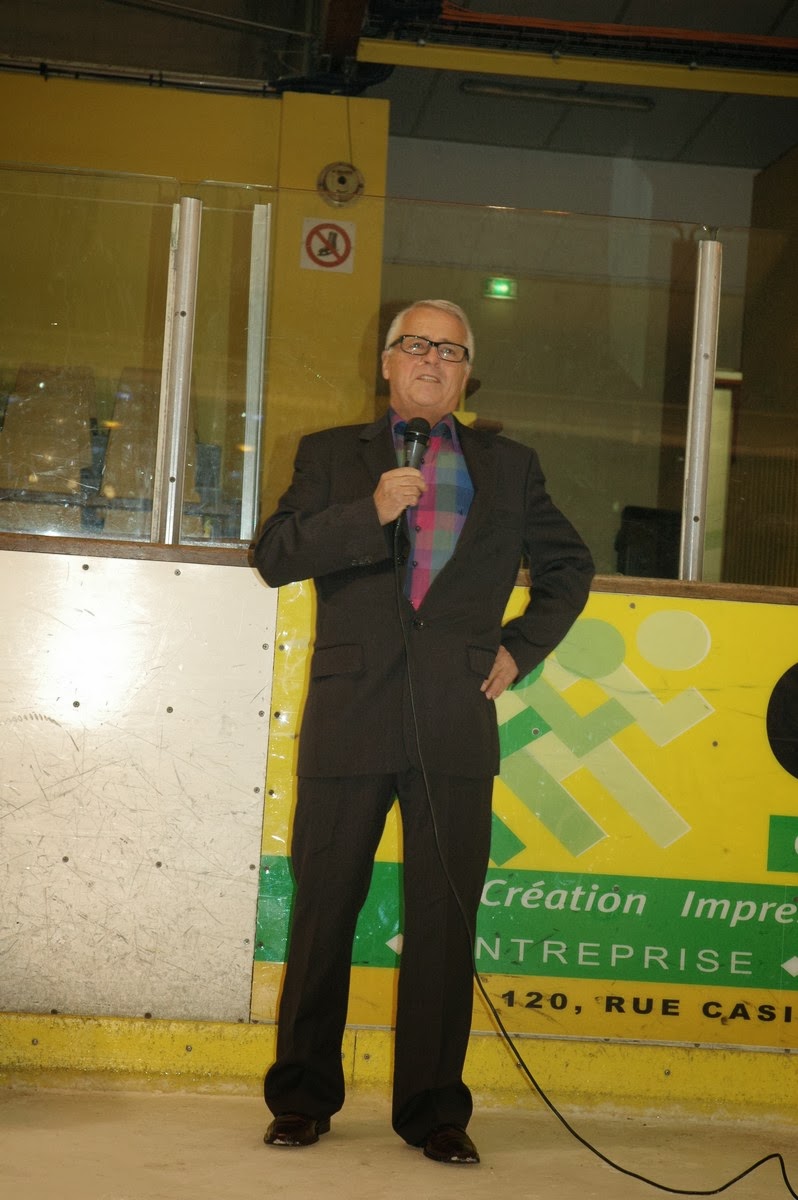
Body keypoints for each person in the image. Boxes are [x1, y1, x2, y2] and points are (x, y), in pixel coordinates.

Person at [252, 299, 594, 1164]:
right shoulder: (332, 454)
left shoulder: (512, 467)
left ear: (466, 372)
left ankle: (435, 1111)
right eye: (416, 345)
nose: (432, 360)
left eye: (451, 350)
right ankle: (301, 1098)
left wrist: (520, 648)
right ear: (387, 363)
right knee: (324, 914)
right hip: (351, 712)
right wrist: (368, 510)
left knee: (444, 923)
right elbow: (274, 555)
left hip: (454, 718)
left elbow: (569, 566)